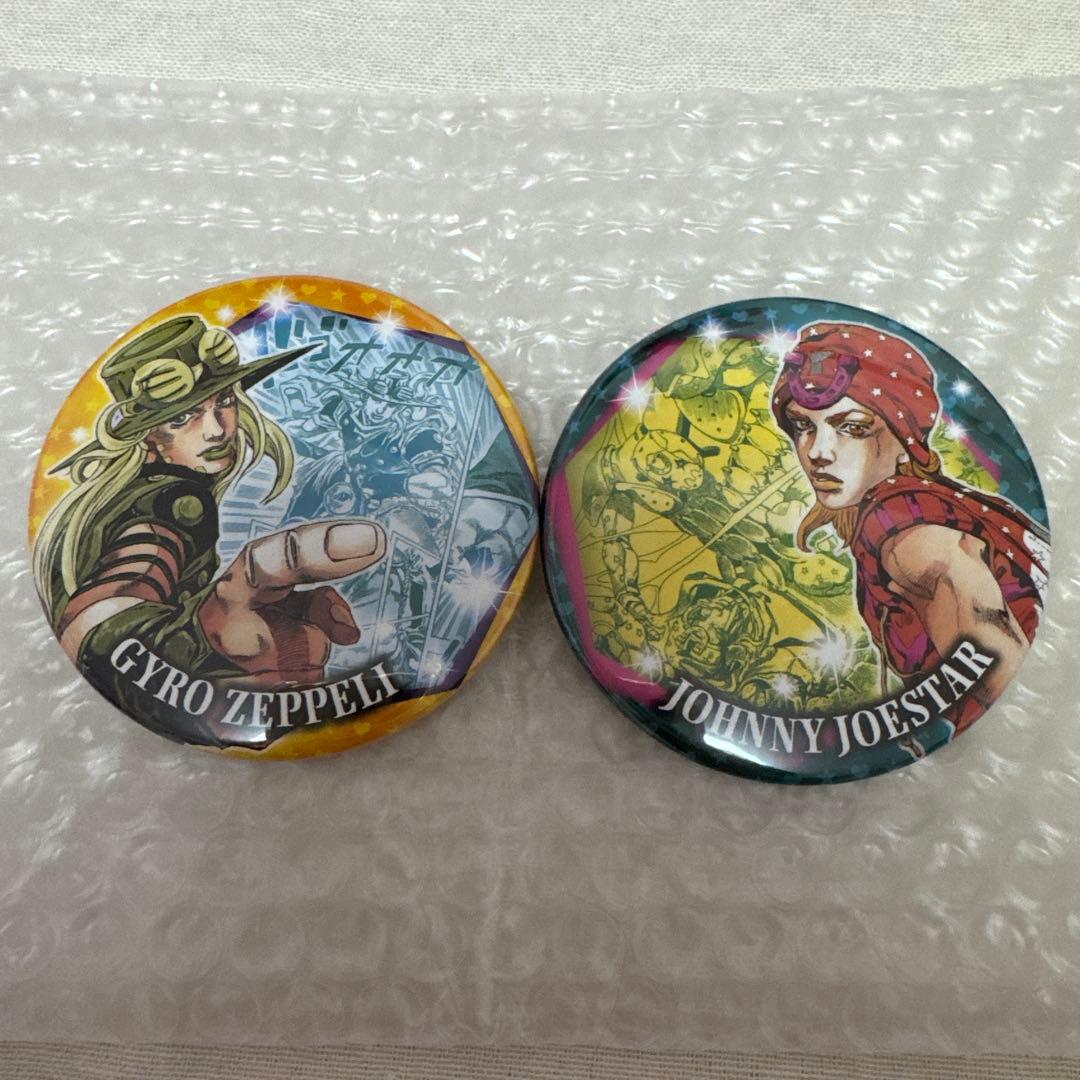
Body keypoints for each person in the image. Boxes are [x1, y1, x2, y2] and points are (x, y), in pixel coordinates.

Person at [33, 315, 386, 743]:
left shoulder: (128, 495)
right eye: (183, 417)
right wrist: (198, 647)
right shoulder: (178, 503)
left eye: (224, 402)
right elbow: (108, 611)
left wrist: (235, 612)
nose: (218, 429)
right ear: (148, 438)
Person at [771, 321, 1048, 733]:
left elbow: (999, 666)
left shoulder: (902, 524)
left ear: (905, 440)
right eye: (803, 425)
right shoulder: (927, 506)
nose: (818, 452)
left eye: (853, 428)